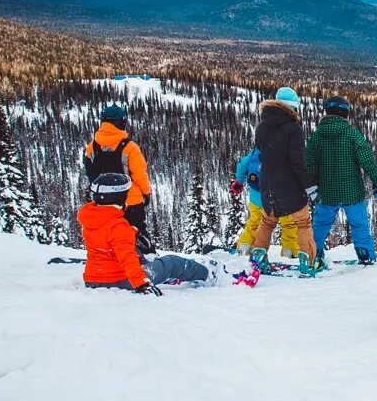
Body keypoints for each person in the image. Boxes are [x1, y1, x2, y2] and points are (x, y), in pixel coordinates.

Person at [79, 172, 219, 294]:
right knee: (172, 262)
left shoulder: (93, 218)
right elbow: (126, 257)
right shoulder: (118, 226)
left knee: (142, 256)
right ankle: (208, 275)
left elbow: (105, 240)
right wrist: (141, 284)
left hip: (94, 279)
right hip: (121, 281)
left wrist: (133, 233)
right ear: (119, 196)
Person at [305, 95, 377, 266]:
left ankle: (313, 254)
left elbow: (308, 165)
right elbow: (367, 160)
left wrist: (311, 189)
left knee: (320, 225)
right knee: (359, 224)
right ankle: (365, 254)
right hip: (352, 192)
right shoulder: (352, 135)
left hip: (326, 193)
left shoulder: (317, 137)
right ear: (346, 113)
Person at [251, 86, 319, 273]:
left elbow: (260, 152)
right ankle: (308, 261)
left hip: (268, 185)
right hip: (290, 187)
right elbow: (297, 161)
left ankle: (257, 257)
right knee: (303, 223)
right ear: (293, 108)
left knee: (267, 222)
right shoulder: (293, 129)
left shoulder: (262, 127)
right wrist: (310, 186)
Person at [83, 103, 154, 252]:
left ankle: (108, 261)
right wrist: (146, 193)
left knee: (108, 235)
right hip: (130, 200)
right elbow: (140, 174)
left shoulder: (91, 147)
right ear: (121, 122)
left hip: (102, 201)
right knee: (138, 234)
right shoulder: (129, 147)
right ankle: (147, 261)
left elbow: (90, 173)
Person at [230, 146, 264, 255]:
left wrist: (239, 182)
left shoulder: (256, 151)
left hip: (256, 195)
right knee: (288, 223)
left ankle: (245, 245)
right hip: (278, 196)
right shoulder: (284, 147)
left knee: (254, 221)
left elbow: (242, 165)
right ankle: (289, 251)